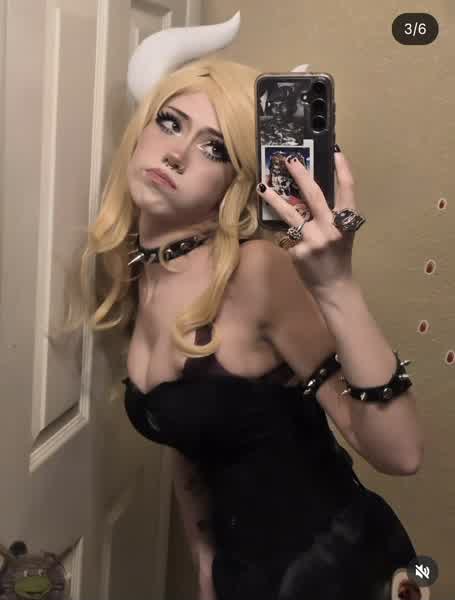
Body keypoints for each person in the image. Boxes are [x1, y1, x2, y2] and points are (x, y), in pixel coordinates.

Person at [64, 46, 425, 600]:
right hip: (244, 579)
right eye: (170, 122)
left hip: (341, 569)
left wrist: (335, 284)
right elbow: (189, 436)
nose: (176, 154)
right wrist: (206, 563)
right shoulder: (143, 268)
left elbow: (401, 453)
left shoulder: (257, 271)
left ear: (235, 183)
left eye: (214, 148)